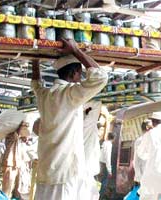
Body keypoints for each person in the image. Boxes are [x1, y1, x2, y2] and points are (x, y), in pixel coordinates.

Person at [31, 38, 108, 200]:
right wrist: (75, 50)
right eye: (80, 73)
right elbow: (101, 77)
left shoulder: (45, 95)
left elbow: (36, 85)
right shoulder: (69, 94)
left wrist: (35, 60)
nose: (81, 77)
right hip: (64, 172)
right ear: (73, 73)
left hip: (46, 169)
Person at [0, 120, 30, 199]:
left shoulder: (21, 140)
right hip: (10, 164)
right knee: (7, 187)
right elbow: (15, 136)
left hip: (18, 164)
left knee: (18, 187)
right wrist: (20, 127)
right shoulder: (12, 135)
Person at [99, 132, 115, 199]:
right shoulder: (109, 145)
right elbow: (107, 158)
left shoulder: (104, 143)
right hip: (105, 165)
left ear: (107, 136)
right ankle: (100, 197)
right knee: (104, 183)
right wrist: (109, 170)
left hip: (100, 163)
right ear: (113, 138)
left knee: (99, 181)